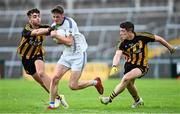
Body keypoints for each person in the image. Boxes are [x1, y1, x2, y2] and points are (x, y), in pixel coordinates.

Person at [100, 21, 176, 108]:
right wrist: (114, 65)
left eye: (122, 31)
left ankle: (109, 99)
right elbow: (117, 55)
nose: (120, 33)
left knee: (126, 78)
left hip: (141, 66)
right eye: (120, 31)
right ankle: (137, 101)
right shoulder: (121, 42)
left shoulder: (142, 36)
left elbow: (159, 39)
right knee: (129, 84)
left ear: (129, 31)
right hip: (129, 65)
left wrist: (170, 48)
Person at [47, 5, 104, 109]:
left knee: (73, 86)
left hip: (78, 55)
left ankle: (95, 82)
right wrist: (57, 39)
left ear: (62, 15)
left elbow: (69, 42)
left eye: (57, 17)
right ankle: (51, 104)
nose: (55, 19)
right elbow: (59, 42)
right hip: (67, 55)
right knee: (55, 78)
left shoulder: (69, 23)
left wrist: (56, 36)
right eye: (54, 17)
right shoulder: (54, 25)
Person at [17, 8, 63, 108]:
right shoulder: (26, 29)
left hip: (38, 54)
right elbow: (37, 32)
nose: (38, 18)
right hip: (26, 58)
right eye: (34, 17)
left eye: (38, 16)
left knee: (42, 73)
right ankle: (58, 97)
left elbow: (55, 30)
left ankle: (55, 100)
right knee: (41, 83)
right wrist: (49, 30)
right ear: (30, 20)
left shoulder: (45, 27)